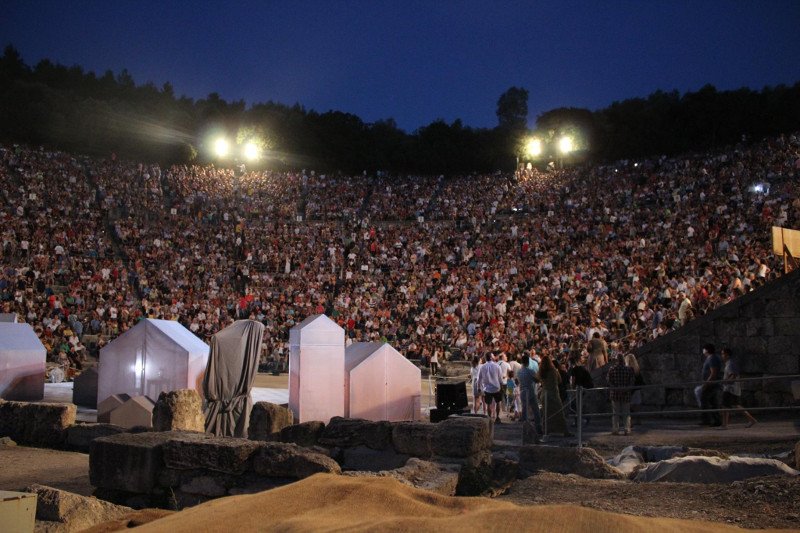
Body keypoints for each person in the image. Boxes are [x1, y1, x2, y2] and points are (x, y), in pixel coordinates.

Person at [720, 347, 757, 429]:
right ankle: (752, 420)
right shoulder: (731, 363)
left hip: (730, 388)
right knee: (736, 405)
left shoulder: (730, 364)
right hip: (733, 388)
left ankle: (724, 425)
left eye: (723, 354)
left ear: (727, 354)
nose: (722, 355)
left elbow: (733, 375)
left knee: (725, 406)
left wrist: (726, 382)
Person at [538, 355, 571, 437]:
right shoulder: (553, 370)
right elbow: (559, 381)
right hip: (553, 393)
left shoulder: (541, 371)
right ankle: (564, 431)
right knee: (559, 413)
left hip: (544, 394)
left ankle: (546, 431)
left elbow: (538, 379)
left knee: (546, 414)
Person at [607, 353, 636, 435]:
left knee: (615, 413)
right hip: (626, 393)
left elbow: (609, 381)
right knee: (626, 413)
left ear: (616, 360)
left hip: (615, 394)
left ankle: (615, 429)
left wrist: (617, 389)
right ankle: (627, 429)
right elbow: (632, 381)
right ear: (623, 360)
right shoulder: (629, 369)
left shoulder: (612, 369)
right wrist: (625, 389)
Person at [517, 354, 544, 437]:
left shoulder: (519, 371)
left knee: (525, 410)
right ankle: (538, 428)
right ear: (528, 362)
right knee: (535, 410)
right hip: (530, 391)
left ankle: (525, 429)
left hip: (522, 391)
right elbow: (537, 380)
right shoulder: (530, 371)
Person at [477, 352, 504, 423]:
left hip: (487, 389)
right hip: (496, 388)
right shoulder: (497, 366)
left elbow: (479, 379)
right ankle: (497, 417)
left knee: (488, 404)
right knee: (498, 403)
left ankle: (489, 418)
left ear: (485, 358)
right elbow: (500, 378)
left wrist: (479, 388)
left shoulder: (482, 367)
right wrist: (502, 386)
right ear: (491, 358)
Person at [700, 343, 722, 427]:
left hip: (711, 384)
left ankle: (707, 420)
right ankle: (715, 420)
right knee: (713, 402)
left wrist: (706, 383)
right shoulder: (711, 358)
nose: (703, 350)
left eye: (704, 349)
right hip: (711, 383)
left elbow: (713, 373)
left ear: (707, 350)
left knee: (704, 400)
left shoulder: (712, 358)